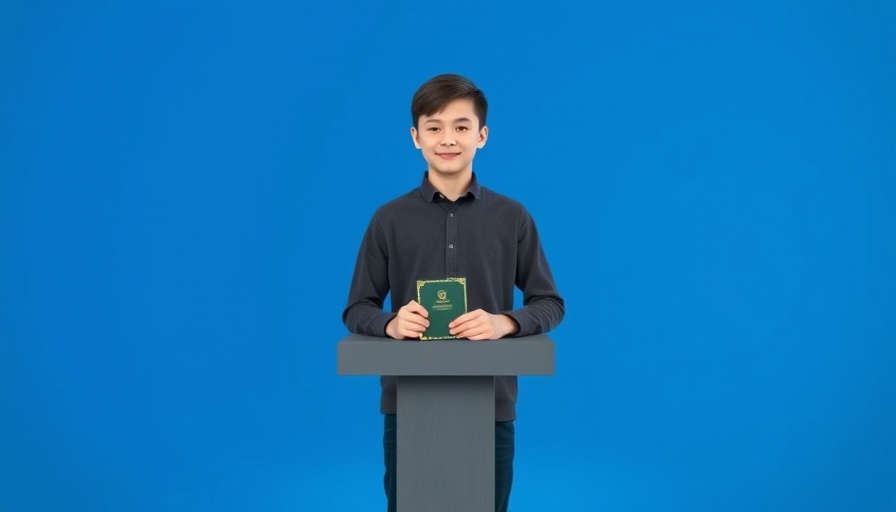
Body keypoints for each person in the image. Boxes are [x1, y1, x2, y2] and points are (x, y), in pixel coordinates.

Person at [342, 73, 565, 512]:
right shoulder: (388, 219)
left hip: (490, 401)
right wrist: (390, 322)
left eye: (461, 127)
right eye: (434, 127)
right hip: (409, 403)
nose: (448, 139)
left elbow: (550, 303)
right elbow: (356, 309)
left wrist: (506, 321)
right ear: (415, 137)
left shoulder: (513, 217)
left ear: (482, 136)